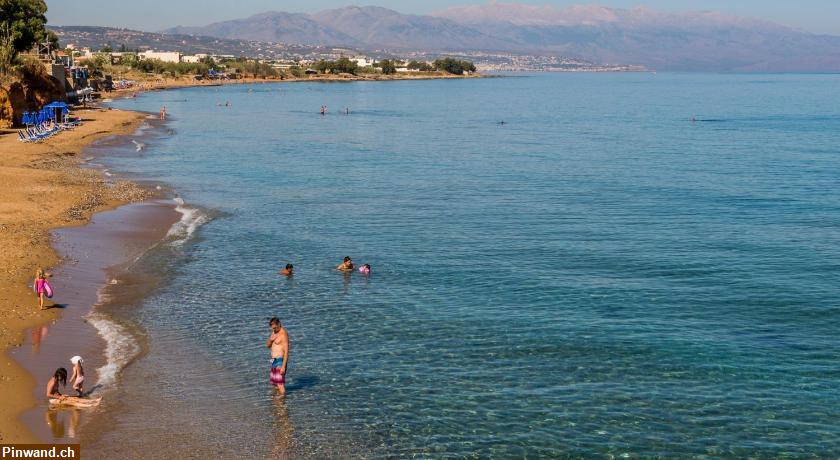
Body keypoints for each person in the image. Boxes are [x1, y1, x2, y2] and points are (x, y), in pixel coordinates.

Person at [266, 317, 289, 395]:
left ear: (279, 324)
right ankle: (276, 403)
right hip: (273, 360)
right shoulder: (274, 331)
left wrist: (283, 366)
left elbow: (286, 351)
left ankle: (283, 403)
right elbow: (268, 346)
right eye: (272, 328)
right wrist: (271, 340)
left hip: (280, 360)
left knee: (280, 384)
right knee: (275, 383)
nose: (274, 329)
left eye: (275, 327)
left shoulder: (283, 334)